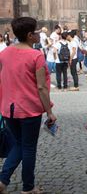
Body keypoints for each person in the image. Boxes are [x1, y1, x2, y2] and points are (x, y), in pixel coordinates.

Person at [0, 17, 57, 194]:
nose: (40, 33)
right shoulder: (36, 56)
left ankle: (2, 181)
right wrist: (50, 112)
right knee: (28, 147)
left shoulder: (5, 53)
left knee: (18, 144)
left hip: (8, 108)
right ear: (30, 35)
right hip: (29, 109)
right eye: (37, 31)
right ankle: (28, 187)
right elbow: (41, 87)